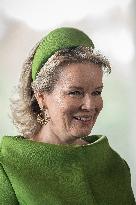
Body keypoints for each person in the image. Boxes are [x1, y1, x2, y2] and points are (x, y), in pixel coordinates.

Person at [0, 27, 135, 205]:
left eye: (96, 92)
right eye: (75, 92)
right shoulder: (7, 168)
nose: (90, 105)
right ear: (41, 97)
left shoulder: (113, 163)